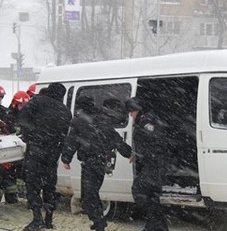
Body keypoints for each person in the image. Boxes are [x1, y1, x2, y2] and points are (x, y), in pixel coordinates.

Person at [61, 96, 133, 231]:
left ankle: (99, 222)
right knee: (92, 193)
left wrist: (66, 159)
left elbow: (72, 142)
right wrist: (128, 153)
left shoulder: (78, 122)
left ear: (80, 107)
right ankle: (98, 220)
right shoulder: (103, 119)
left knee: (89, 195)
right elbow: (116, 139)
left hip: (89, 162)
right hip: (101, 162)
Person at [19, 83, 72, 230]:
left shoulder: (37, 101)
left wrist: (31, 136)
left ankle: (37, 218)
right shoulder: (66, 111)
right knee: (50, 185)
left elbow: (23, 119)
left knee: (33, 184)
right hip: (53, 154)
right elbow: (65, 135)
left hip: (36, 151)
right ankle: (49, 219)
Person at [126, 97, 169, 231]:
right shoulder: (146, 119)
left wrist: (142, 155)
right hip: (153, 162)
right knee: (151, 195)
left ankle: (155, 225)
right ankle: (157, 226)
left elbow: (154, 142)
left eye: (131, 111)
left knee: (139, 191)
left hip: (153, 163)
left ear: (137, 109)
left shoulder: (146, 121)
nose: (130, 115)